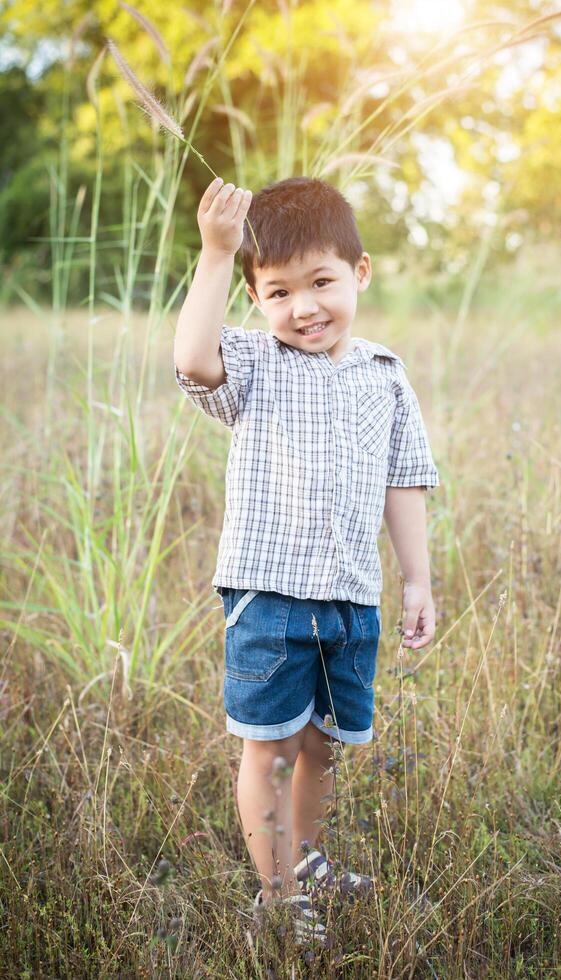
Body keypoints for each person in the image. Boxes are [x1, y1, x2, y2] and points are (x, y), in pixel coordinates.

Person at [173, 175, 440, 944]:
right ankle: (275, 892)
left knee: (323, 742)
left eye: (321, 282)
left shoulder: (385, 375)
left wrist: (416, 579)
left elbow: (404, 481)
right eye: (279, 292)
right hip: (270, 594)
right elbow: (194, 360)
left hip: (352, 595)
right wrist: (218, 253)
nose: (303, 308)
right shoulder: (255, 363)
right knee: (272, 745)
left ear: (359, 273)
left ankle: (306, 857)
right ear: (256, 298)